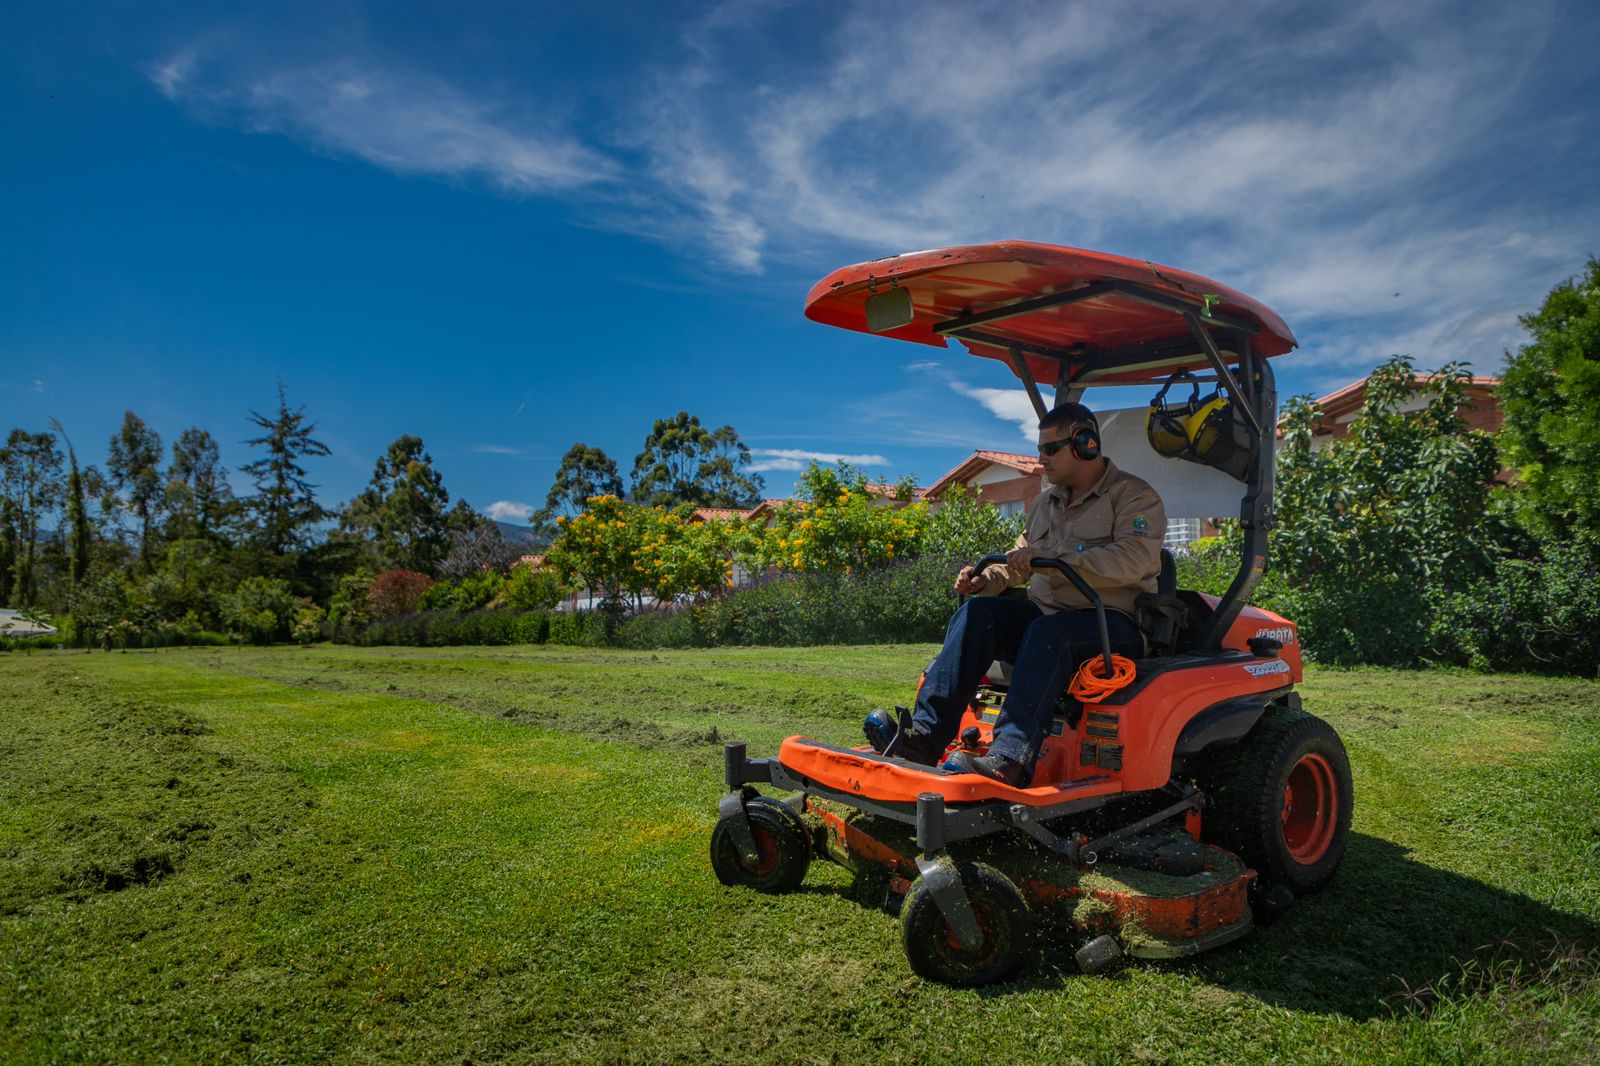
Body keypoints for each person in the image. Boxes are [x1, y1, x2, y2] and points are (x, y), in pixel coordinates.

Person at [864, 401, 1167, 786]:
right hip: (1050, 618)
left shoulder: (1134, 497)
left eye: (1049, 449)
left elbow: (1133, 560)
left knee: (1048, 635)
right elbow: (1014, 562)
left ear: (1085, 443)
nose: (1041, 459)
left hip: (1114, 624)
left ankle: (1010, 759)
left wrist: (1054, 556)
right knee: (979, 614)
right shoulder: (1046, 503)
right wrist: (983, 579)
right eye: (1039, 449)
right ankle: (925, 739)